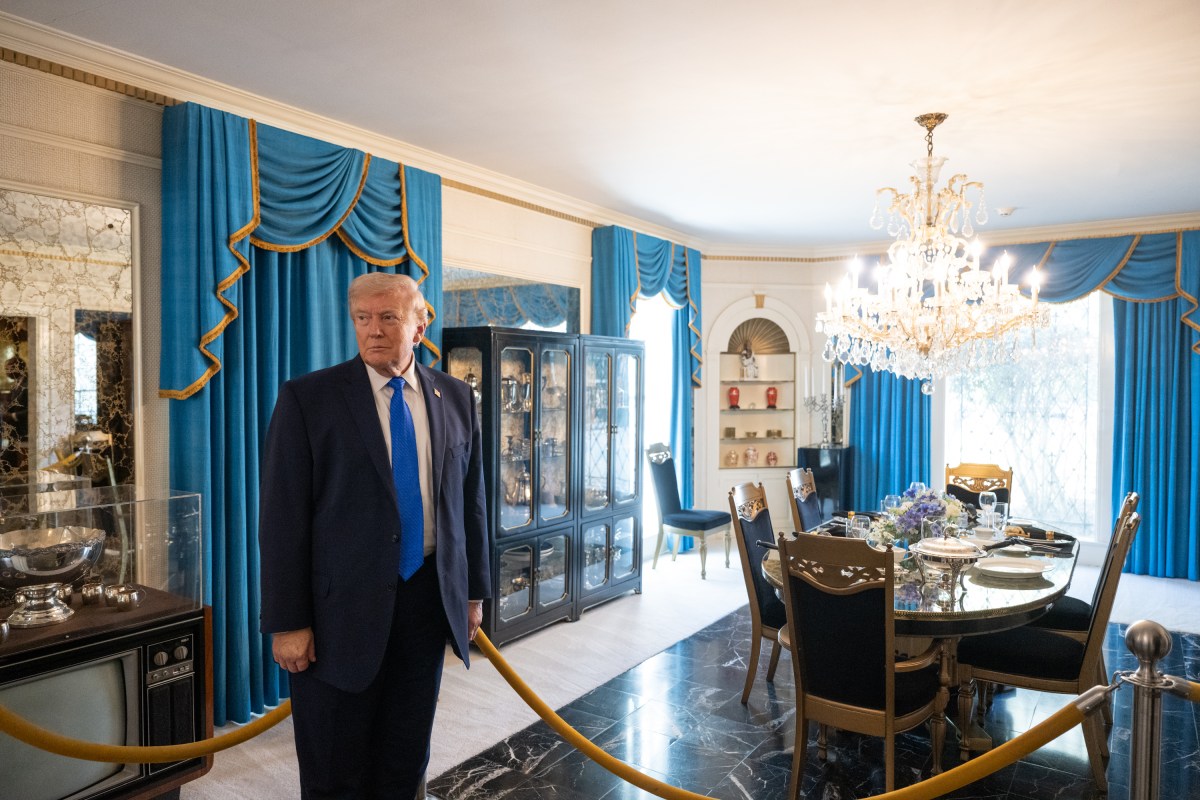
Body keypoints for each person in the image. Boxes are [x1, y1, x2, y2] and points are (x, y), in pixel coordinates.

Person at [259, 272, 491, 799]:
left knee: (405, 760)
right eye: (362, 318)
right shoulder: (308, 399)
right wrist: (288, 621)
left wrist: (473, 593)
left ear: (419, 326)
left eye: (389, 317)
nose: (374, 330)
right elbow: (281, 520)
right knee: (334, 771)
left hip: (426, 599)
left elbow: (470, 504)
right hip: (337, 614)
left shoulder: (457, 397)